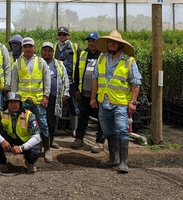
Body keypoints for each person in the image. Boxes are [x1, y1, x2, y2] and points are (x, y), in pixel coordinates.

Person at [90, 30, 141, 174]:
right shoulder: (101, 59)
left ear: (120, 45)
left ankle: (123, 162)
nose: (111, 44)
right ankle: (113, 159)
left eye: (114, 42)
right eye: (110, 42)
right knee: (108, 131)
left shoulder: (128, 61)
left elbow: (136, 83)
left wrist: (133, 102)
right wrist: (93, 98)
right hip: (104, 102)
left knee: (122, 130)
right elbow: (95, 78)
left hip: (120, 103)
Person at [10, 37, 53, 162]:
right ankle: (27, 149)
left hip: (38, 100)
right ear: (22, 48)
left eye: (30, 46)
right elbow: (14, 83)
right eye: (25, 46)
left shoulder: (41, 62)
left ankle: (47, 149)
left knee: (43, 124)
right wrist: (15, 100)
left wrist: (46, 96)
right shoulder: (17, 63)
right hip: (23, 101)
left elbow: (47, 80)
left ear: (34, 48)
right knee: (23, 124)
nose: (28, 49)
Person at [0, 92, 41, 173]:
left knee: (36, 150)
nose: (13, 104)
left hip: (23, 140)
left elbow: (37, 137)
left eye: (16, 102)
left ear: (20, 103)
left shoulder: (29, 115)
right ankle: (2, 163)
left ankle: (29, 162)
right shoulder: (2, 111)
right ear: (7, 103)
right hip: (8, 139)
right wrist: (1, 140)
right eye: (11, 102)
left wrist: (21, 148)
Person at [72, 32, 105, 153]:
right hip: (84, 93)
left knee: (101, 117)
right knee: (82, 117)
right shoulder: (83, 54)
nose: (91, 44)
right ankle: (79, 139)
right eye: (89, 41)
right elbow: (77, 71)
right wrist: (76, 89)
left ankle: (100, 141)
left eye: (93, 41)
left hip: (99, 93)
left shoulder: (103, 55)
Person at [40, 42, 70, 162]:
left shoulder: (58, 64)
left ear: (53, 52)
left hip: (54, 99)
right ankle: (43, 146)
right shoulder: (38, 63)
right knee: (40, 123)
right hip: (39, 99)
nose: (47, 53)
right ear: (41, 52)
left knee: (52, 123)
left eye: (49, 51)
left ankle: (49, 143)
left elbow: (65, 79)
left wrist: (66, 93)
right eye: (45, 50)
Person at [54, 26, 81, 136]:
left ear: (68, 36)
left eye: (64, 34)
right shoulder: (55, 47)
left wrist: (78, 84)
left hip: (71, 82)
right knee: (56, 105)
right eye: (60, 34)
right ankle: (54, 129)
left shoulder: (74, 47)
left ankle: (75, 129)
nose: (62, 36)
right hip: (58, 82)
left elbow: (80, 65)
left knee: (73, 106)